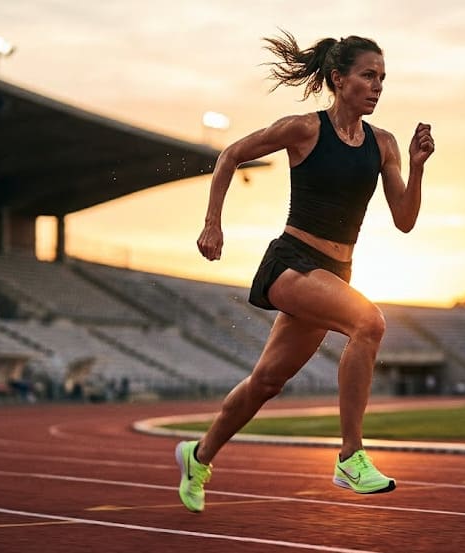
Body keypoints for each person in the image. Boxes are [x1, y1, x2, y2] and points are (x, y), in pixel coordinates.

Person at [176, 30, 435, 513]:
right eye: (367, 76)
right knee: (370, 323)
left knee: (267, 382)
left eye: (382, 78)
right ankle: (350, 456)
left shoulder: (384, 145)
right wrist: (213, 223)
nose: (377, 86)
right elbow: (230, 154)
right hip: (291, 263)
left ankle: (198, 455)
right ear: (338, 79)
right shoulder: (304, 129)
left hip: (335, 273)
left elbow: (404, 219)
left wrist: (417, 168)